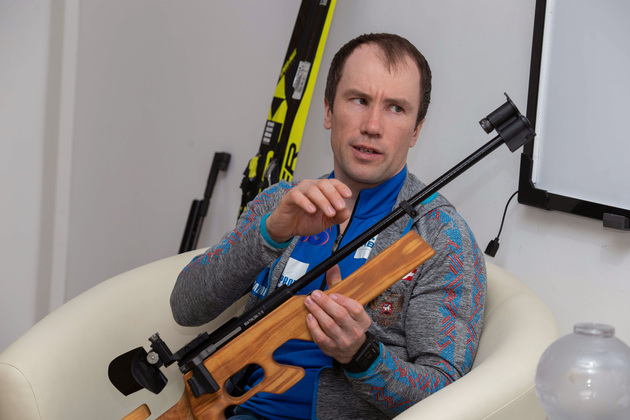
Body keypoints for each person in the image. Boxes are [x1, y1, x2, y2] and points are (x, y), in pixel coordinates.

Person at [171, 33, 486, 420]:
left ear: (416, 129)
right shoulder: (281, 202)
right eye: (359, 100)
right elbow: (185, 308)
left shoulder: (440, 236)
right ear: (328, 111)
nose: (372, 125)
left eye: (395, 108)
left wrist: (362, 356)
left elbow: (449, 396)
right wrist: (269, 235)